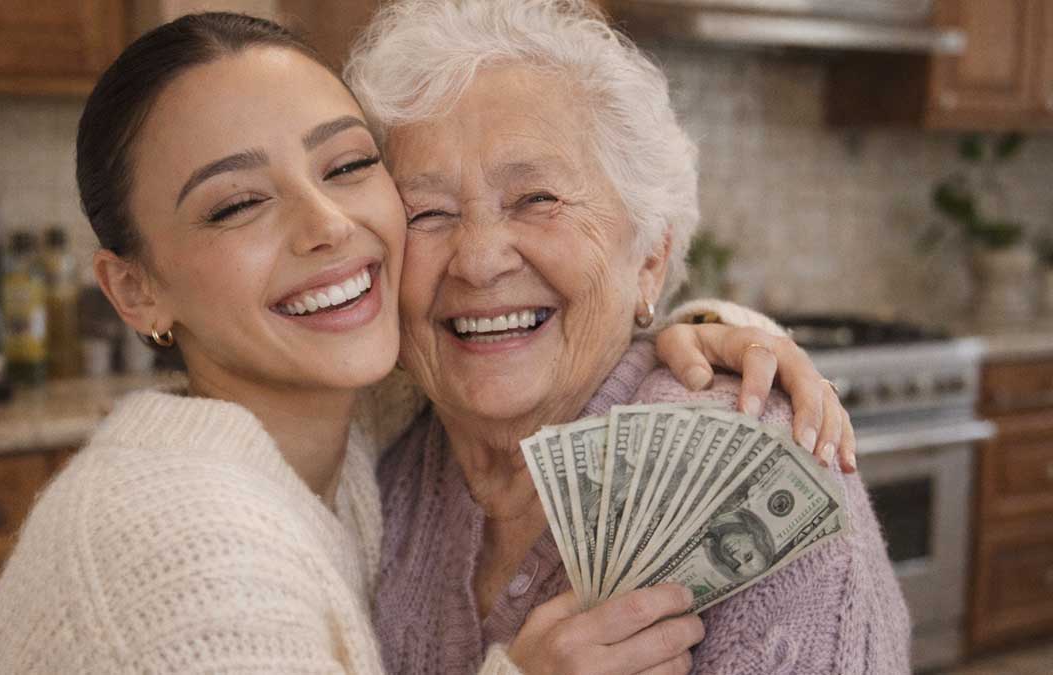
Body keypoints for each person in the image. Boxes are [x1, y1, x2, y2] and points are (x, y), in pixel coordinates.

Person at [0, 11, 857, 675]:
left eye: (348, 166)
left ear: (654, 250)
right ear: (135, 288)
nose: (328, 228)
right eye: (236, 203)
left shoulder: (365, 430)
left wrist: (718, 330)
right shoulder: (200, 555)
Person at [345, 1, 910, 673]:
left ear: (650, 257)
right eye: (426, 213)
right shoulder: (373, 471)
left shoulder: (751, 464)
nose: (478, 258)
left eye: (537, 200)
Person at [702, 509, 775, 581]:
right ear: (753, 537)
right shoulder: (734, 510)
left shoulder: (707, 537)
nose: (734, 556)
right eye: (747, 556)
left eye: (736, 565)